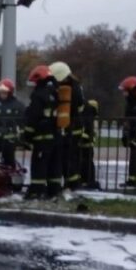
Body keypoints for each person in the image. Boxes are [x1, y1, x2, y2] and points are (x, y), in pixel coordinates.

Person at [22, 65, 62, 199]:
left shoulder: (38, 95)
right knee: (54, 165)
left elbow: (33, 118)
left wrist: (27, 136)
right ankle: (54, 191)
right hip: (56, 137)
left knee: (39, 165)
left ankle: (36, 192)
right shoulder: (55, 93)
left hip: (42, 138)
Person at [50, 61, 86, 190]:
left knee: (69, 157)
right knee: (68, 157)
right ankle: (70, 183)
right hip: (70, 127)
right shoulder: (75, 86)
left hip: (71, 127)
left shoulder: (72, 89)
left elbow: (75, 106)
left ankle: (72, 184)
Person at [121, 76, 136, 188]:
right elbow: (127, 121)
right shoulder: (130, 104)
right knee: (134, 158)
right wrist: (126, 135)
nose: (124, 93)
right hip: (134, 136)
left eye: (126, 90)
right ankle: (132, 180)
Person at [79, 99, 100, 190]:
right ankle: (88, 180)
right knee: (88, 162)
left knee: (86, 162)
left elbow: (89, 131)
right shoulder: (94, 118)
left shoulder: (90, 117)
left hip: (86, 143)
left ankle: (87, 180)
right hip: (89, 143)